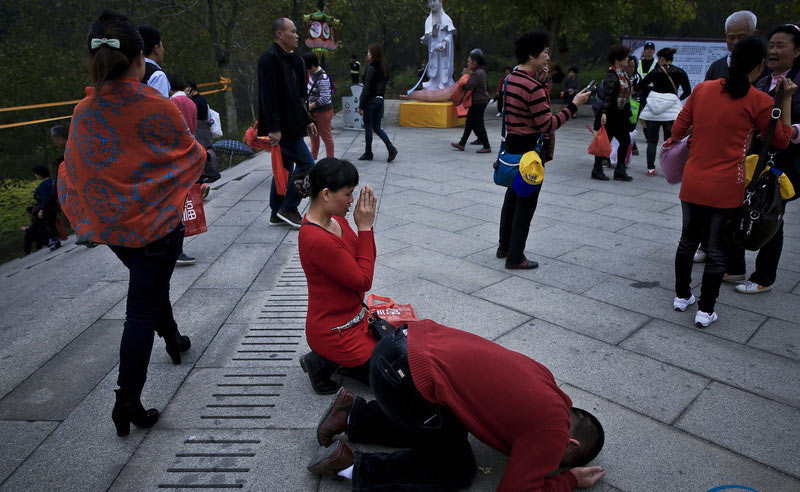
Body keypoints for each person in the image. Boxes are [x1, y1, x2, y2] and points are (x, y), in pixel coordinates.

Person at [59, 11, 206, 436]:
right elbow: (191, 157)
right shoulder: (157, 107)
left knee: (148, 284)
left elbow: (74, 170)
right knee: (141, 307)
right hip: (158, 226)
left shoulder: (83, 112)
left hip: (114, 229)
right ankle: (127, 402)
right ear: (139, 59)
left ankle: (173, 339)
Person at [306, 322, 606, 491]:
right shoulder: (553, 432)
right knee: (456, 470)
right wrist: (569, 480)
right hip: (402, 376)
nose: (547, 461)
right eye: (557, 460)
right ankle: (350, 466)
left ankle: (352, 416)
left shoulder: (547, 384)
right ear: (570, 444)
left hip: (400, 345)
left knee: (445, 426)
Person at [670, 37, 795, 328]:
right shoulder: (760, 100)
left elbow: (677, 131)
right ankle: (705, 311)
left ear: (732, 60)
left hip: (693, 180)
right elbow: (782, 140)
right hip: (727, 186)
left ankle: (681, 296)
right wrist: (786, 98)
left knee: (687, 241)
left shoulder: (702, 89)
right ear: (759, 66)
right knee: (717, 250)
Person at [498, 30, 591, 270]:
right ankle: (515, 257)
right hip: (530, 152)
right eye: (545, 52)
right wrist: (573, 106)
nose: (548, 57)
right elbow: (547, 125)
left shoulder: (511, 79)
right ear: (532, 55)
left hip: (512, 145)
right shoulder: (533, 87)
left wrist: (543, 82)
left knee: (512, 198)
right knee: (525, 204)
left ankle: (504, 247)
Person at [727, 24, 800, 295]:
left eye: (781, 46)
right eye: (771, 46)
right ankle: (735, 266)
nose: (773, 51)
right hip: (755, 158)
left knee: (770, 211)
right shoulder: (761, 79)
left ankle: (764, 277)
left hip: (787, 161)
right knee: (738, 205)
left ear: (797, 51)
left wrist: (792, 131)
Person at [297, 158, 377, 394]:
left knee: (401, 356)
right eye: (348, 194)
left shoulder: (336, 220)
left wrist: (365, 229)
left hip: (356, 319)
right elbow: (363, 280)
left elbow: (365, 258)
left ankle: (326, 360)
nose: (352, 200)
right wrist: (365, 227)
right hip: (336, 332)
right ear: (326, 194)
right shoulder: (316, 238)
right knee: (392, 378)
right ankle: (323, 360)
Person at [257, 17, 318, 228]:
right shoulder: (269, 58)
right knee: (308, 165)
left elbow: (298, 96)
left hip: (294, 124)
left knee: (284, 168)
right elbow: (268, 96)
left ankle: (276, 212)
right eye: (292, 31)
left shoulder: (296, 60)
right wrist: (274, 128)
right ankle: (289, 207)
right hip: (281, 127)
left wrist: (307, 119)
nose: (297, 35)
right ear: (279, 34)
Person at [635, 47, 691, 176]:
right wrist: (677, 98)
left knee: (652, 141)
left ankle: (650, 168)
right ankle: (668, 167)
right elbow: (687, 90)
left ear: (661, 58)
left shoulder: (656, 72)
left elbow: (640, 86)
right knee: (670, 141)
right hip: (671, 112)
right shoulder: (680, 72)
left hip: (653, 110)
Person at [592, 44, 634, 182]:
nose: (627, 59)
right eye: (625, 56)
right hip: (611, 115)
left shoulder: (622, 74)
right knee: (604, 141)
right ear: (617, 59)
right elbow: (608, 96)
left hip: (620, 115)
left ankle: (620, 169)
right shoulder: (612, 75)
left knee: (625, 140)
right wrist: (604, 113)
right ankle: (597, 169)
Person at [358, 44, 398, 162]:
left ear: (373, 54)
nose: (367, 54)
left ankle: (368, 152)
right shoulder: (384, 67)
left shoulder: (371, 68)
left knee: (368, 127)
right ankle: (391, 148)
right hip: (380, 100)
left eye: (369, 52)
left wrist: (361, 105)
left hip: (370, 101)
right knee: (377, 127)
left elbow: (366, 87)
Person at [450, 49, 491, 153]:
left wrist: (465, 75)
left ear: (474, 62)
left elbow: (468, 85)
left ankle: (486, 146)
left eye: (469, 61)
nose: (468, 63)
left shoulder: (478, 73)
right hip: (478, 101)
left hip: (479, 102)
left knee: (478, 124)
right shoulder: (479, 72)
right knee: (470, 122)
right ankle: (462, 143)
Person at [705, 11, 758, 81]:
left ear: (754, 34)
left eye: (741, 37)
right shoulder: (716, 68)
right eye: (731, 38)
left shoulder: (765, 65)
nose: (736, 42)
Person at [186, 80, 221, 183]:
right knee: (204, 150)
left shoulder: (195, 101)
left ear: (190, 88)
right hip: (203, 126)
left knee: (201, 151)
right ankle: (204, 173)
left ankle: (212, 173)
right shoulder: (201, 98)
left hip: (200, 126)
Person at [303, 53, 335, 160]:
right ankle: (312, 160)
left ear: (311, 65)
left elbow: (325, 98)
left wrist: (310, 106)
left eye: (306, 67)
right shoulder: (312, 74)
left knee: (326, 136)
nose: (305, 69)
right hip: (313, 112)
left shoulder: (323, 77)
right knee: (313, 135)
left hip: (323, 112)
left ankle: (330, 161)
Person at [420, 0, 455, 91]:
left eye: (434, 1)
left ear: (439, 2)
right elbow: (426, 39)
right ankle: (434, 82)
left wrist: (444, 43)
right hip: (435, 53)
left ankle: (444, 83)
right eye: (430, 1)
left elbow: (450, 36)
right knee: (435, 69)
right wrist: (433, 35)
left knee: (444, 67)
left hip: (444, 53)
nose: (432, 3)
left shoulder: (446, 19)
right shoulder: (428, 21)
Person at [32, 165, 60, 251]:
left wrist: (41, 210)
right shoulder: (54, 181)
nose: (35, 175)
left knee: (49, 224)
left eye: (36, 173)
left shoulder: (43, 185)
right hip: (54, 205)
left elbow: (45, 198)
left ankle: (54, 240)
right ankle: (57, 241)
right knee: (52, 223)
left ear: (40, 174)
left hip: (47, 207)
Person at [137, 25, 169, 98]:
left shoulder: (129, 70)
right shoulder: (157, 76)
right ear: (156, 49)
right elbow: (160, 104)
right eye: (161, 46)